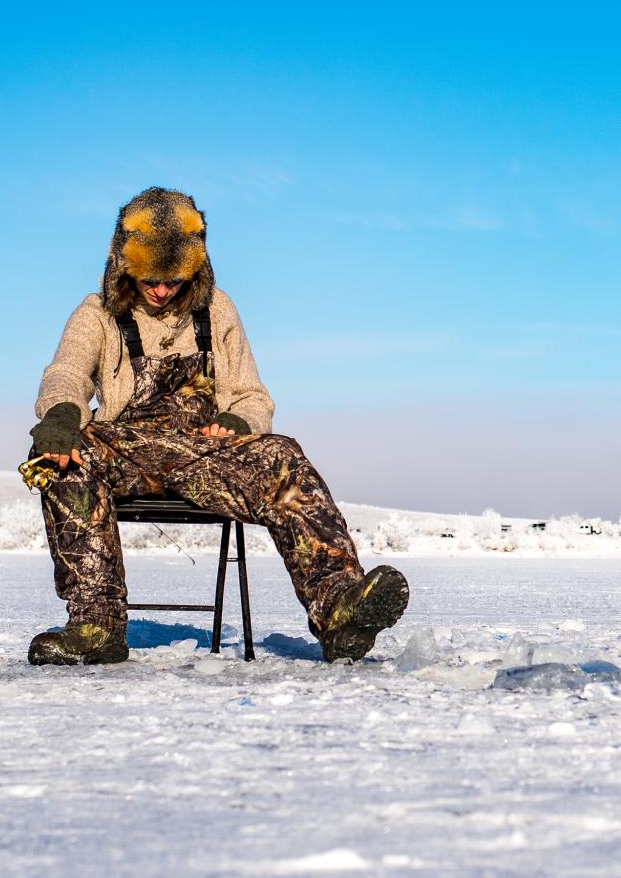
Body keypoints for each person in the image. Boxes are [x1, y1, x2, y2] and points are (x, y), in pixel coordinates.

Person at [23, 187, 408, 666]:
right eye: (150, 279)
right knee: (60, 459)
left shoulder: (217, 310)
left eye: (173, 280)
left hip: (204, 455)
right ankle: (95, 625)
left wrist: (236, 419)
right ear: (125, 264)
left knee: (283, 454)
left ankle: (340, 613)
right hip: (127, 449)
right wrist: (61, 415)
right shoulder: (97, 313)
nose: (161, 290)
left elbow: (253, 396)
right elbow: (67, 374)